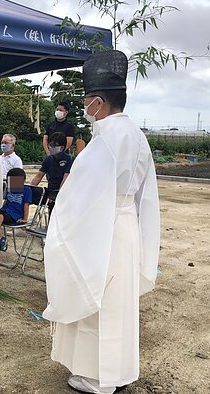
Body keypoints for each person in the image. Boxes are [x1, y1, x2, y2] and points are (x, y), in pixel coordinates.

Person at [42, 50, 161, 393]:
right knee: (119, 303)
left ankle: (97, 377)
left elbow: (82, 196)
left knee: (97, 298)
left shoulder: (104, 140)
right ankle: (119, 371)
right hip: (126, 228)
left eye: (84, 102)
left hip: (103, 228)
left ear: (97, 102)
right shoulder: (137, 135)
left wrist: (61, 228)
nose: (82, 108)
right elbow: (146, 195)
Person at [30, 131, 73, 209]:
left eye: (54, 145)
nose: (51, 147)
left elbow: (65, 178)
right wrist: (30, 189)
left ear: (62, 147)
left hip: (63, 191)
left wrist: (58, 195)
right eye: (50, 145)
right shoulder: (48, 159)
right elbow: (38, 176)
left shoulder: (69, 159)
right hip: (50, 190)